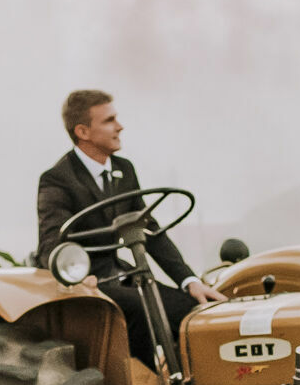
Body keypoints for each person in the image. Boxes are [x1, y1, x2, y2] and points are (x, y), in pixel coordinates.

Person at [35, 90, 225, 369]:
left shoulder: (124, 170)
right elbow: (51, 241)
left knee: (189, 310)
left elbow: (150, 231)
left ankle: (193, 384)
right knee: (139, 308)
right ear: (83, 131)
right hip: (87, 283)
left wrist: (189, 280)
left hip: (123, 274)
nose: (120, 126)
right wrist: (79, 276)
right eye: (109, 120)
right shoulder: (57, 180)